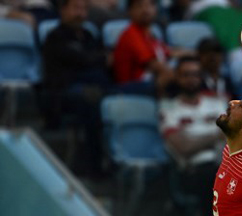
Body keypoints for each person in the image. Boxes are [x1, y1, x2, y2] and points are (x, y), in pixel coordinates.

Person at [42, 0, 110, 177]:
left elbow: (98, 60)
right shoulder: (55, 36)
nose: (80, 13)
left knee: (104, 97)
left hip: (92, 87)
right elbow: (82, 60)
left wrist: (93, 59)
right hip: (62, 92)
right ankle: (92, 165)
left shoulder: (88, 35)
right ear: (63, 10)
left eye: (84, 9)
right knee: (90, 100)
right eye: (75, 8)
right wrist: (95, 59)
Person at [159, 57, 226, 216]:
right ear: (177, 77)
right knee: (213, 176)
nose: (191, 79)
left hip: (222, 164)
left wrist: (196, 140)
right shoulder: (169, 109)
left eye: (196, 75)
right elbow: (183, 147)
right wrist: (216, 135)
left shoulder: (216, 104)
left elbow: (234, 135)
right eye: (186, 75)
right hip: (189, 172)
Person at [113, 0, 172, 93]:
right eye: (139, 5)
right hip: (130, 88)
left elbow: (169, 52)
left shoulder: (150, 35)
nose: (146, 10)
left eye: (150, 5)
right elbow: (155, 65)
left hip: (148, 84)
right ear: (130, 11)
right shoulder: (131, 34)